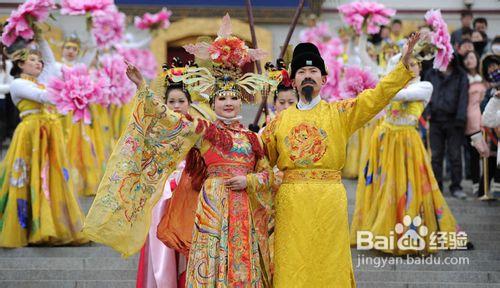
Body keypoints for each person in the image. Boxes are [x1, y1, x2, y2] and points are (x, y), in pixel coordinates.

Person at [84, 14, 274, 287]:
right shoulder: (205, 130)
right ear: (213, 102)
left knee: (242, 265)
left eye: (233, 97)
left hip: (245, 209)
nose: (229, 103)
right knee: (210, 264)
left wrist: (249, 180)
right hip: (212, 208)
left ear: (241, 99)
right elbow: (169, 118)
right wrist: (143, 88)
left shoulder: (253, 139)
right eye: (222, 98)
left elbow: (271, 176)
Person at [260, 33, 420, 287]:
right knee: (292, 263)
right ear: (293, 81)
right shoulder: (278, 122)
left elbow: (377, 97)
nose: (308, 76)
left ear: (324, 79)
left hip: (329, 201)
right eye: (301, 72)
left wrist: (403, 65)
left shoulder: (340, 113)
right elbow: (261, 161)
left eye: (314, 71)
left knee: (330, 262)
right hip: (291, 203)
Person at [350, 51, 465, 255]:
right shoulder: (395, 82)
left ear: (420, 67)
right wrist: (401, 55)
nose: (409, 67)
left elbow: (399, 95)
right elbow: (388, 83)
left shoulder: (424, 87)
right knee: (383, 187)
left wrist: (378, 84)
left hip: (406, 142)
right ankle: (379, 231)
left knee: (407, 189)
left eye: (413, 64)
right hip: (384, 140)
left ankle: (407, 235)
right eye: (406, 64)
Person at [0, 47, 87, 247]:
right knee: (28, 177)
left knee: (49, 178)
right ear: (21, 64)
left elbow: (50, 62)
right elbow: (44, 98)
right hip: (30, 134)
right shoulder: (18, 84)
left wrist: (40, 34)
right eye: (32, 60)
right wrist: (72, 89)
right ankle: (28, 225)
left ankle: (50, 224)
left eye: (39, 61)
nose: (39, 63)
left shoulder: (40, 83)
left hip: (48, 135)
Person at [136, 65, 195, 288]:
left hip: (190, 189)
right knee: (162, 244)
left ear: (189, 103)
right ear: (165, 104)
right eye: (172, 102)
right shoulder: (157, 130)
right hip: (165, 190)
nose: (177, 106)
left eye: (181, 101)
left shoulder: (197, 127)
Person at [423, 54, 469, 199]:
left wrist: (460, 118)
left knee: (455, 155)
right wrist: (427, 112)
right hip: (435, 120)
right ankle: (437, 186)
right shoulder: (431, 73)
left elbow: (463, 98)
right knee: (436, 155)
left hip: (454, 120)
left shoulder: (461, 75)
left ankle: (456, 186)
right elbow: (425, 95)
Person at [462, 51, 489, 194]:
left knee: (488, 151)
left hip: (485, 118)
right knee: (473, 152)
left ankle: (486, 183)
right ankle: (475, 183)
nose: (469, 60)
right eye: (466, 58)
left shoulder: (484, 78)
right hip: (470, 119)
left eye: (472, 57)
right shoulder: (463, 79)